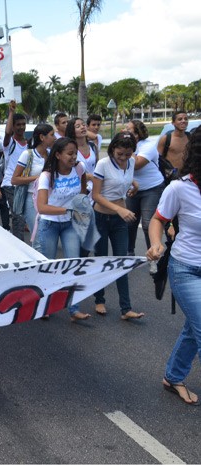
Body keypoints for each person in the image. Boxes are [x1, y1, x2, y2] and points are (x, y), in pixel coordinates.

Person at [147, 127, 201, 406]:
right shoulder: (180, 188)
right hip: (186, 269)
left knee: (195, 327)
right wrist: (156, 243)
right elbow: (158, 220)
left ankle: (173, 376)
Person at [36, 137, 90, 321]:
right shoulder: (47, 176)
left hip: (70, 224)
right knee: (49, 267)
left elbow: (83, 191)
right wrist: (67, 209)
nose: (74, 157)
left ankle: (74, 309)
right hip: (49, 224)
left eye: (75, 153)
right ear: (57, 155)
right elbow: (42, 207)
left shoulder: (79, 168)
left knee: (73, 264)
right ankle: (44, 306)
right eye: (69, 153)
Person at [92, 131, 144, 320]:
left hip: (121, 220)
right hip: (101, 218)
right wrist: (119, 209)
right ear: (113, 148)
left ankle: (126, 309)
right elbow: (96, 195)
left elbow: (125, 177)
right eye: (120, 154)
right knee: (102, 259)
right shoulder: (103, 164)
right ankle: (99, 299)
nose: (123, 158)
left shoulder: (130, 162)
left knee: (122, 262)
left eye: (127, 154)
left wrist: (134, 184)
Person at [125, 119, 166, 273]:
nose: (125, 131)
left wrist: (130, 146)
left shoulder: (148, 146)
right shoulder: (128, 144)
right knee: (130, 222)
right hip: (132, 189)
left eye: (128, 129)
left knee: (149, 224)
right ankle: (129, 253)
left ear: (137, 133)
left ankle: (153, 257)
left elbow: (136, 164)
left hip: (152, 189)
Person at [11, 123, 55, 250]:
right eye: (52, 135)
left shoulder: (51, 155)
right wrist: (39, 178)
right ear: (42, 137)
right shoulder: (28, 155)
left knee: (48, 236)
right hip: (32, 198)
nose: (54, 138)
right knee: (37, 237)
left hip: (50, 199)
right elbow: (14, 179)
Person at [2, 100, 28, 241]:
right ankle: (20, 246)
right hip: (11, 185)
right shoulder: (9, 143)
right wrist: (11, 111)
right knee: (18, 216)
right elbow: (7, 132)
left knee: (24, 217)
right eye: (18, 125)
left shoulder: (29, 144)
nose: (21, 127)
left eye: (23, 124)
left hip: (26, 184)